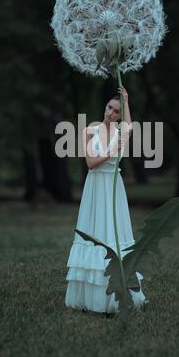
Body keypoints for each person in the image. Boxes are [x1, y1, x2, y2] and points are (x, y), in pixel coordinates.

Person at [64, 86, 147, 315]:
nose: (111, 113)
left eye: (116, 111)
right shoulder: (90, 130)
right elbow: (90, 163)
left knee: (114, 234)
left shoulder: (122, 132)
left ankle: (118, 296)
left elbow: (130, 127)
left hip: (113, 186)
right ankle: (90, 298)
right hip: (95, 186)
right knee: (95, 233)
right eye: (110, 107)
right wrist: (112, 151)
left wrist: (127, 101)